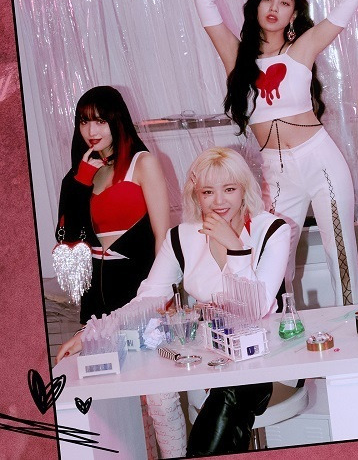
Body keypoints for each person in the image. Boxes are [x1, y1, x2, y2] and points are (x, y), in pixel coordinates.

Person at [56, 147, 292, 457]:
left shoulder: (271, 229)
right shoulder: (181, 236)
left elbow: (255, 308)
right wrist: (91, 332)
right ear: (196, 195)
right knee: (159, 388)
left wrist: (235, 248)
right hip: (208, 357)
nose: (219, 201)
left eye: (229, 189)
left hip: (265, 357)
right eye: (208, 192)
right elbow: (150, 297)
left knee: (229, 394)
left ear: (244, 189)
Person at [193, 0, 358, 305]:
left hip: (320, 160)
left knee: (340, 251)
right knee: (273, 258)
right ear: (255, 4)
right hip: (276, 171)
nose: (274, 8)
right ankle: (280, 327)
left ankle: (357, 327)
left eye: (285, 2)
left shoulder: (302, 47)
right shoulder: (236, 55)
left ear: (293, 14)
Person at [56, 86, 171, 323]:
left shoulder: (143, 163)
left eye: (100, 121)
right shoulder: (77, 175)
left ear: (117, 120)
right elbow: (68, 238)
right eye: (84, 122)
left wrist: (160, 289)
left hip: (137, 284)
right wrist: (81, 182)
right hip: (94, 291)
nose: (91, 131)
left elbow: (161, 235)